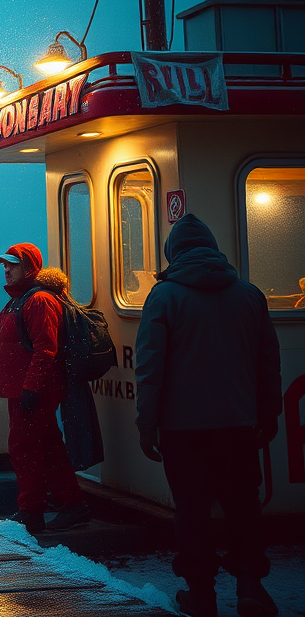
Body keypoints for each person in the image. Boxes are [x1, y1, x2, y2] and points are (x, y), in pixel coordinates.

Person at [135, 213, 282, 617]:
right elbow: (268, 362)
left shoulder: (163, 298)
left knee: (193, 509)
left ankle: (201, 593)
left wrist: (146, 424)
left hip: (184, 430)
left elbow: (150, 367)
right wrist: (269, 414)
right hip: (238, 424)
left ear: (173, 253)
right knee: (243, 504)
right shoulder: (249, 295)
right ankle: (250, 585)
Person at [0, 242, 91, 533]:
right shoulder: (17, 301)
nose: (6, 270)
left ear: (29, 267)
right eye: (4, 265)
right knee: (48, 446)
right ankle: (73, 504)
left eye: (13, 264)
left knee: (22, 447)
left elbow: (46, 350)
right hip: (23, 390)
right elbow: (7, 349)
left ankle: (31, 512)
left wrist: (32, 388)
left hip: (35, 390)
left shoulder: (39, 301)